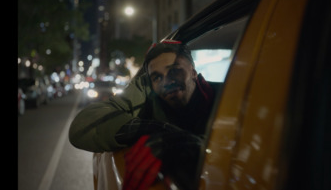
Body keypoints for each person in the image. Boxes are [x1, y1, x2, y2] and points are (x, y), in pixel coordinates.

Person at [68, 39, 219, 190]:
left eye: (174, 70)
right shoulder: (147, 95)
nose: (167, 81)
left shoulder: (229, 98)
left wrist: (194, 146)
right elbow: (82, 126)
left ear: (193, 71)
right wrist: (149, 130)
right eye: (157, 77)